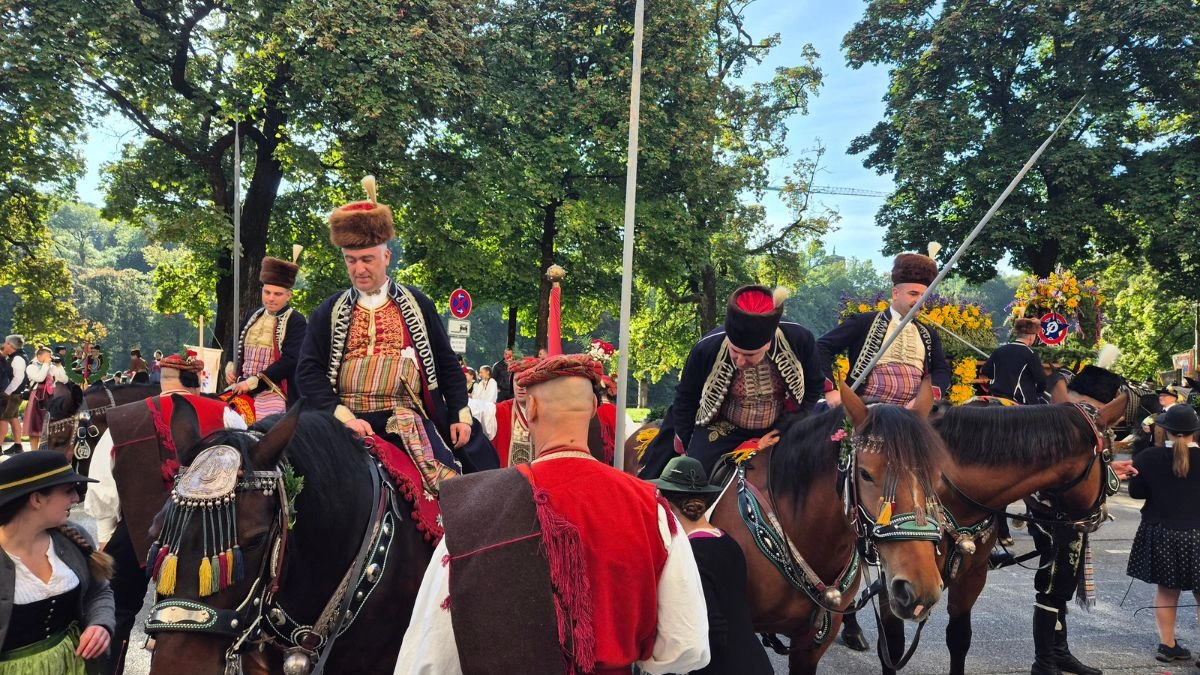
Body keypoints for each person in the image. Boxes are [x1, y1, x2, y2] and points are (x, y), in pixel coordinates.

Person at [394, 354, 710, 674]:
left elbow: (430, 657)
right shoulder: (649, 506)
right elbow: (687, 643)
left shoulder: (475, 509)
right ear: (592, 410)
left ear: (531, 409)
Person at [295, 175, 497, 480]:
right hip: (342, 419)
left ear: (386, 256)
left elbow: (446, 364)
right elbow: (308, 371)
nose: (359, 269)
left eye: (367, 259)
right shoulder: (328, 311)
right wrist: (342, 415)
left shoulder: (418, 303)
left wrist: (460, 414)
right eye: (351, 261)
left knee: (458, 483)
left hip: (404, 419)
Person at [84, 351, 245, 673]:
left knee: (116, 609)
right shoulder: (226, 414)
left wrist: (105, 535)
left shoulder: (123, 419)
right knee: (199, 615)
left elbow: (103, 483)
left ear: (163, 383)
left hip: (136, 528)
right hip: (206, 535)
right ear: (196, 383)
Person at [642, 285, 825, 477]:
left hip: (779, 427)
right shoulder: (706, 347)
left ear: (768, 344)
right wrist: (688, 445)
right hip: (722, 428)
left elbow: (814, 385)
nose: (739, 361)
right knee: (693, 478)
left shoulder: (800, 339)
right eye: (734, 351)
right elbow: (686, 398)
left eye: (749, 355)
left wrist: (793, 420)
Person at [1023, 364, 1118, 675]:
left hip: (1062, 513)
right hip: (1055, 515)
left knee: (1062, 585)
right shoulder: (1072, 420)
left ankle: (1058, 652)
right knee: (1052, 585)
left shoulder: (1069, 416)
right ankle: (1044, 662)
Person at [650, 455, 771, 675]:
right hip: (756, 662)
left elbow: (712, 632)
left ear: (668, 507)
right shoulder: (728, 541)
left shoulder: (690, 556)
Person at [0, 450, 115, 673]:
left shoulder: (72, 537)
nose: (76, 498)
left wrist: (100, 624)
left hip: (74, 665)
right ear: (36, 499)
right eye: (68, 490)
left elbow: (98, 591)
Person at [818, 248, 952, 406]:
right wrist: (830, 390)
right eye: (913, 294)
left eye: (924, 296)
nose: (919, 301)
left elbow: (941, 371)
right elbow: (821, 348)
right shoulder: (863, 322)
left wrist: (925, 400)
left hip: (912, 416)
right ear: (896, 293)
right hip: (867, 411)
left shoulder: (929, 333)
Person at [1126, 405, 1200, 664]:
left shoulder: (1147, 457)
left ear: (1164, 430)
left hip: (1163, 532)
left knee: (1167, 591)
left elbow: (1136, 493)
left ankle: (1167, 645)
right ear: (1195, 431)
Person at [225, 252, 308, 417]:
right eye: (267, 292)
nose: (271, 298)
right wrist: (229, 364)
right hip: (241, 385)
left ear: (288, 295)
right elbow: (235, 340)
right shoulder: (252, 315)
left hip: (274, 390)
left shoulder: (296, 320)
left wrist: (254, 383)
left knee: (267, 429)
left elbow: (290, 361)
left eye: (277, 294)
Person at [982, 318, 1048, 404]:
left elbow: (986, 371)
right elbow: (1041, 381)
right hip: (1019, 401)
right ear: (1031, 337)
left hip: (995, 397)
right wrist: (1037, 394)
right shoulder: (1030, 354)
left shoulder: (999, 350)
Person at [24, 346, 68, 452]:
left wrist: (59, 367)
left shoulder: (50, 366)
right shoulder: (31, 367)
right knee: (34, 426)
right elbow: (40, 378)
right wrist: (45, 365)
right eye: (47, 356)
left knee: (49, 425)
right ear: (39, 356)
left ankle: (45, 451)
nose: (50, 358)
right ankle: (34, 452)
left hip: (50, 397)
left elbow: (64, 379)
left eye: (50, 356)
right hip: (37, 398)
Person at [0, 335, 28, 456]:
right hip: (15, 394)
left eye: (5, 344)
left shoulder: (17, 359)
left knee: (3, 420)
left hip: (12, 395)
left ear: (11, 346)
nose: (3, 345)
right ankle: (18, 446)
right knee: (13, 419)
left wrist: (7, 392)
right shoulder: (17, 356)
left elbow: (18, 378)